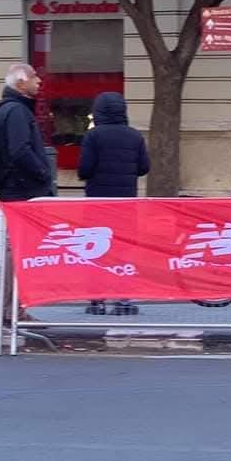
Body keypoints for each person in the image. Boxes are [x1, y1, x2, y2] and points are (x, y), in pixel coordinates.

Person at [78, 92, 150, 316]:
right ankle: (123, 300)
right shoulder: (134, 136)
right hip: (126, 204)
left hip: (98, 203)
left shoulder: (93, 136)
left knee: (97, 250)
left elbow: (84, 169)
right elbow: (144, 168)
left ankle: (97, 300)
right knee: (123, 251)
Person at [0, 63, 54, 321]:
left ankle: (10, 309)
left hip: (14, 189)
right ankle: (10, 311)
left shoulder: (11, 109)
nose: (39, 81)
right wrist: (43, 173)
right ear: (20, 83)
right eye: (33, 77)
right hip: (20, 191)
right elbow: (19, 151)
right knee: (17, 250)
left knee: (17, 250)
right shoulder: (16, 111)